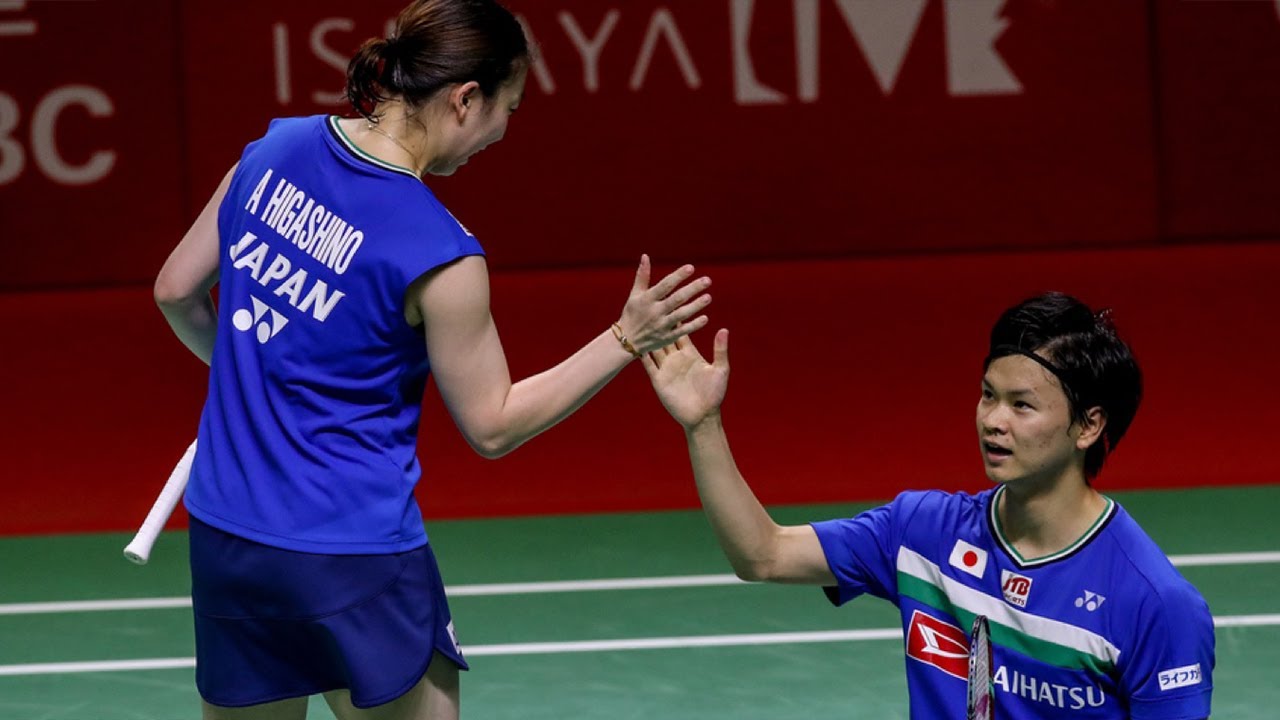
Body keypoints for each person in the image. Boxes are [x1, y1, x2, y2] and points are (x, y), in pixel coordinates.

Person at [152, 1, 712, 718]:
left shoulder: (274, 148)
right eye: (509, 108)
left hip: (227, 532)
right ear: (466, 98)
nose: (503, 131)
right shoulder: (438, 249)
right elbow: (493, 425)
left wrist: (262, 379)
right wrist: (625, 337)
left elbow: (176, 291)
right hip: (352, 553)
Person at [643, 292, 1214, 719]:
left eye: (1022, 405)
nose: (993, 421)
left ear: (1088, 425)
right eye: (988, 395)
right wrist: (703, 426)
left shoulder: (1154, 603)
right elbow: (762, 555)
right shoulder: (924, 533)